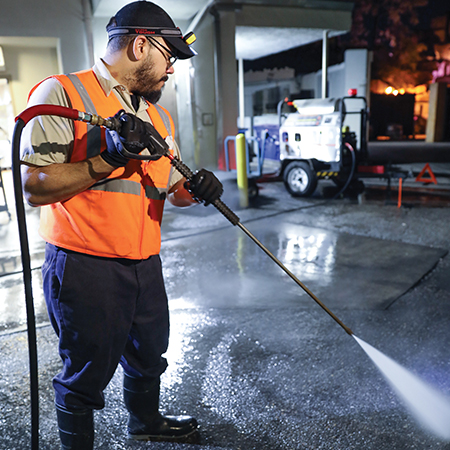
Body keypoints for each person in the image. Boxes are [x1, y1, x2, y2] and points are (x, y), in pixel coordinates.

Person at [20, 1, 223, 449]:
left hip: (144, 263)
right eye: (168, 57)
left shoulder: (157, 116)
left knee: (150, 355)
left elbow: (168, 188)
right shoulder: (62, 94)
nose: (171, 70)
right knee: (85, 374)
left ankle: (145, 421)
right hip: (85, 267)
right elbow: (34, 185)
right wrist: (108, 158)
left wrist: (197, 189)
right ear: (139, 45)